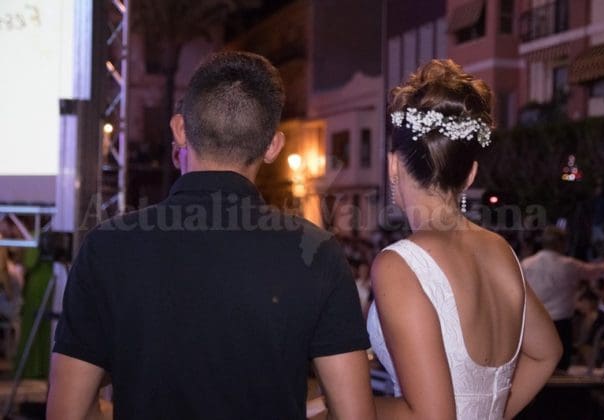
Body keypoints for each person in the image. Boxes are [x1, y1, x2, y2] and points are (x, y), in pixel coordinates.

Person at [47, 52, 375, 420]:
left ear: (180, 129)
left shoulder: (107, 248)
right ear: (273, 146)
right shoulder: (317, 253)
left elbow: (68, 412)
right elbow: (354, 415)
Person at [366, 59, 562, 419]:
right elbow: (546, 352)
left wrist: (342, 407)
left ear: (393, 165)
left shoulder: (400, 265)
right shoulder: (500, 250)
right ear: (470, 174)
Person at [522, 226, 604, 371]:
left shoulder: (526, 264)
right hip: (561, 323)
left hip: (534, 322)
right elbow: (596, 271)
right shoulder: (569, 265)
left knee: (535, 365)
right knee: (560, 366)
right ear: (560, 243)